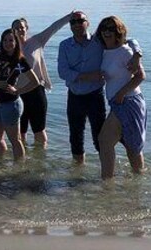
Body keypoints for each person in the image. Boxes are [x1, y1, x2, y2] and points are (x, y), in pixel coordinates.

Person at [57, 10, 141, 164]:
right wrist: (88, 76)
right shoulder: (64, 45)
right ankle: (77, 173)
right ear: (70, 26)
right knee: (75, 136)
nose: (77, 24)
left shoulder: (99, 41)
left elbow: (128, 39)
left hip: (95, 96)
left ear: (87, 23)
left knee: (100, 137)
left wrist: (137, 54)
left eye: (80, 21)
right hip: (74, 96)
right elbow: (62, 72)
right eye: (73, 22)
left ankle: (108, 170)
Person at [10, 13, 72, 146]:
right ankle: (23, 159)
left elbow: (53, 27)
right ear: (12, 31)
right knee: (20, 131)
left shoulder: (37, 41)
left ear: (26, 28)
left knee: (39, 130)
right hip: (18, 93)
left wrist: (70, 17)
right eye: (16, 28)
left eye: (22, 27)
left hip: (36, 91)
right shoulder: (9, 47)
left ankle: (41, 160)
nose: (19, 30)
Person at [97, 16, 147, 179]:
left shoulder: (125, 51)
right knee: (130, 147)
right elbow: (132, 39)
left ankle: (107, 183)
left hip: (128, 102)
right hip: (118, 103)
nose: (107, 31)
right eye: (104, 28)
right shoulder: (105, 51)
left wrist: (121, 93)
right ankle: (137, 180)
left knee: (105, 141)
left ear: (118, 31)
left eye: (111, 28)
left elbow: (140, 76)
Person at [0, 30, 39, 160]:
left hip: (11, 103)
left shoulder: (20, 60)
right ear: (1, 42)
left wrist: (17, 91)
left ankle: (19, 169)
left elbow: (35, 81)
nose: (8, 43)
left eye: (11, 40)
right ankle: (0, 162)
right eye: (5, 40)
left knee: (15, 139)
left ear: (16, 42)